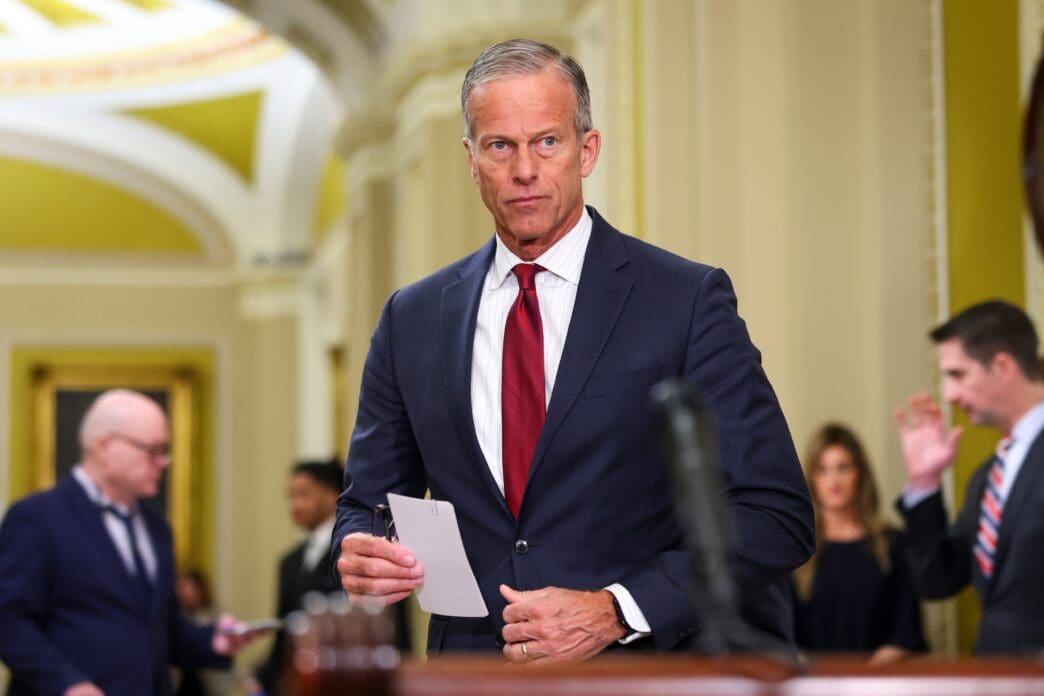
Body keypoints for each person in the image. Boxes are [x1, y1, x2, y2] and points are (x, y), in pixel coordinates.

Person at [332, 38, 814, 662]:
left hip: (633, 670)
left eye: (547, 142)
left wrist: (616, 609)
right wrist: (362, 551)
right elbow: (365, 507)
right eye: (500, 145)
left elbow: (774, 514)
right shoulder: (413, 318)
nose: (524, 169)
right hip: (473, 674)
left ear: (587, 151)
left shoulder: (683, 299)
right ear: (472, 159)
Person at [0, 389, 255, 696]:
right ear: (105, 446)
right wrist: (68, 684)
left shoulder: (157, 526)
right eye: (153, 450)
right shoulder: (37, 517)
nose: (163, 462)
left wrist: (211, 640)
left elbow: (157, 625)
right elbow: (9, 621)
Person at [894, 300, 1044, 654]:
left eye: (957, 375)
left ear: (1003, 367)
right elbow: (938, 580)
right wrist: (925, 485)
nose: (949, 395)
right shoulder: (988, 477)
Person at [792, 423, 926, 662]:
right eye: (822, 470)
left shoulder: (892, 543)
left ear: (860, 473)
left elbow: (906, 631)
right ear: (811, 479)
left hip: (878, 683)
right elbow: (783, 635)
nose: (833, 480)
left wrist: (864, 680)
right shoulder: (797, 547)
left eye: (842, 468)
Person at [253, 459, 345, 695]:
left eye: (304, 494)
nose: (295, 504)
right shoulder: (289, 562)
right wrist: (263, 678)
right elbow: (284, 632)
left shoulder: (351, 554)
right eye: (291, 496)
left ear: (331, 495)